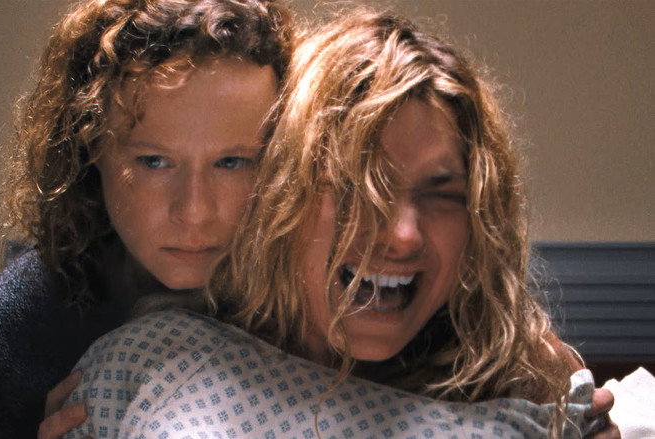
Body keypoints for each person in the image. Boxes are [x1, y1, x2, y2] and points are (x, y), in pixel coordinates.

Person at [61, 8, 618, 439]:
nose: (402, 235)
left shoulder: (525, 386)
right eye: (357, 188)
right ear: (281, 194)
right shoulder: (153, 359)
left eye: (441, 195)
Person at [0, 1, 293, 438]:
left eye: (232, 163)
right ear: (90, 144)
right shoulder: (17, 332)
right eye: (154, 161)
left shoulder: (329, 299)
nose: (195, 210)